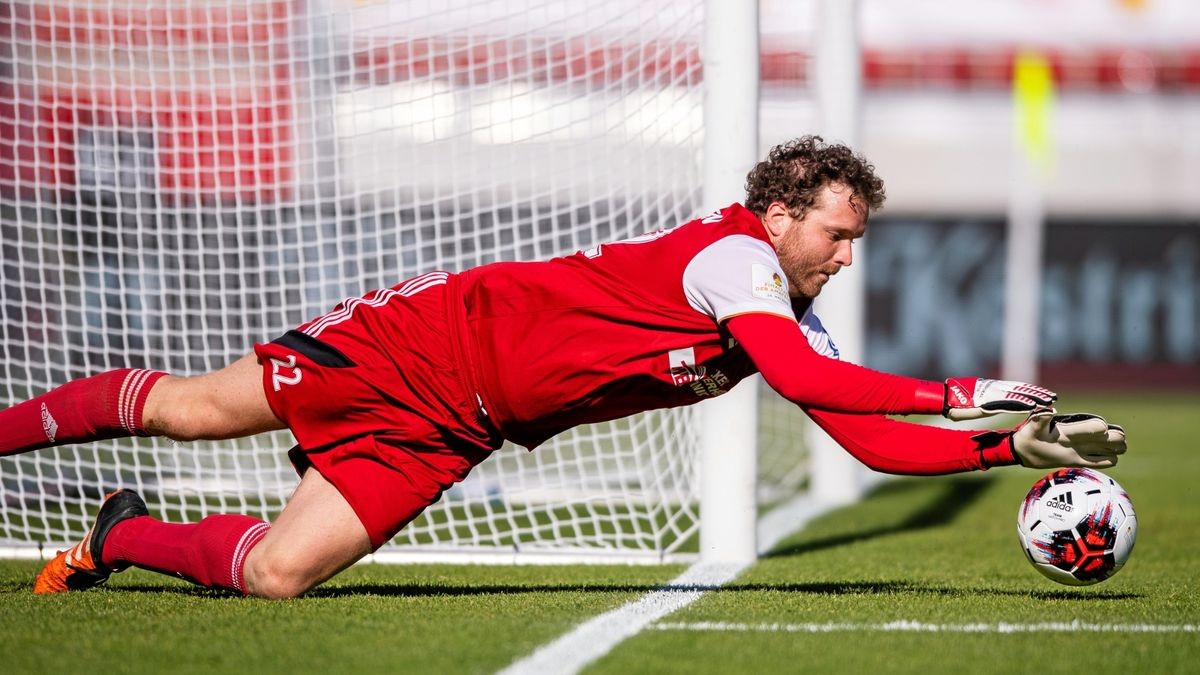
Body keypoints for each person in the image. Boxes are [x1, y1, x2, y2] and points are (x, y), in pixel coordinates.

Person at [0, 136, 1126, 599]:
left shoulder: (781, 302)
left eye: (857, 240)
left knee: (278, 576)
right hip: (423, 346)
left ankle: (114, 536)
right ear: (779, 215)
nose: (846, 255)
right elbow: (802, 382)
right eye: (836, 233)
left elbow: (863, 430)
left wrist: (997, 447)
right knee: (196, 412)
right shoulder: (735, 258)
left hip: (459, 427)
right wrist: (960, 391)